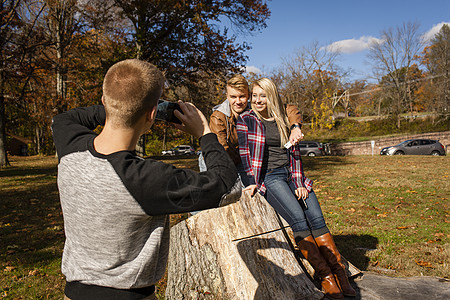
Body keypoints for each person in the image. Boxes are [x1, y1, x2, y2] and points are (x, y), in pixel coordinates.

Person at [51, 59, 237, 299]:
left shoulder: (68, 142)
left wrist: (119, 108)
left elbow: (67, 117)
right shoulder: (146, 179)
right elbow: (227, 186)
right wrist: (204, 133)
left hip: (73, 293)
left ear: (105, 101)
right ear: (152, 115)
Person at [236, 78, 356, 299]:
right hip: (270, 178)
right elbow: (245, 154)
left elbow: (295, 154)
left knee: (317, 218)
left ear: (271, 96)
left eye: (262, 95)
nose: (257, 100)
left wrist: (300, 183)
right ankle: (326, 276)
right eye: (254, 95)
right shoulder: (246, 120)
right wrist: (250, 180)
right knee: (299, 220)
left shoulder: (283, 118)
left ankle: (340, 273)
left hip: (292, 174)